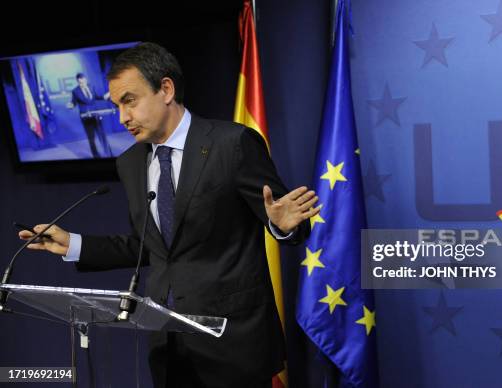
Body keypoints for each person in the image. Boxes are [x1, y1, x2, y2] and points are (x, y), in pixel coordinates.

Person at [20, 42, 320, 388]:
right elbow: (152, 247)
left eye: (129, 101)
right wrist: (72, 244)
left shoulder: (232, 143)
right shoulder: (130, 163)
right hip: (168, 347)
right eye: (116, 106)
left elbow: (287, 219)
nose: (122, 118)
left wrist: (280, 226)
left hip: (234, 346)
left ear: (165, 89)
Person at [67, 72, 112, 158]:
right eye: (80, 83)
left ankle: (109, 154)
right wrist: (71, 105)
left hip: (96, 115)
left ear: (86, 80)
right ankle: (96, 156)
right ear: (77, 82)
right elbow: (73, 102)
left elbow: (97, 97)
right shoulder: (75, 91)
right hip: (86, 117)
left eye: (83, 82)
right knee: (92, 139)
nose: (82, 84)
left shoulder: (91, 86)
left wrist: (104, 96)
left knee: (102, 136)